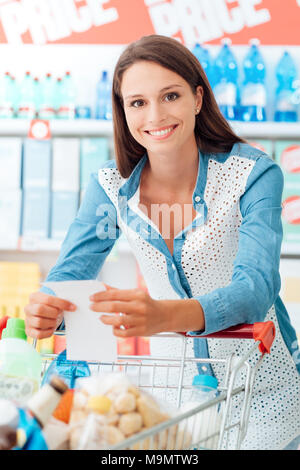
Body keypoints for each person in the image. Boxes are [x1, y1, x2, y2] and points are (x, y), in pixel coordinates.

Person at [24, 35, 300, 450]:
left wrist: (163, 316)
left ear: (197, 98)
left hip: (261, 394)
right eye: (137, 102)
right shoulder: (111, 185)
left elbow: (254, 290)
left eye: (170, 95)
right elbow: (70, 274)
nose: (155, 114)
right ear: (122, 110)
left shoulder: (253, 175)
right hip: (173, 397)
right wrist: (48, 308)